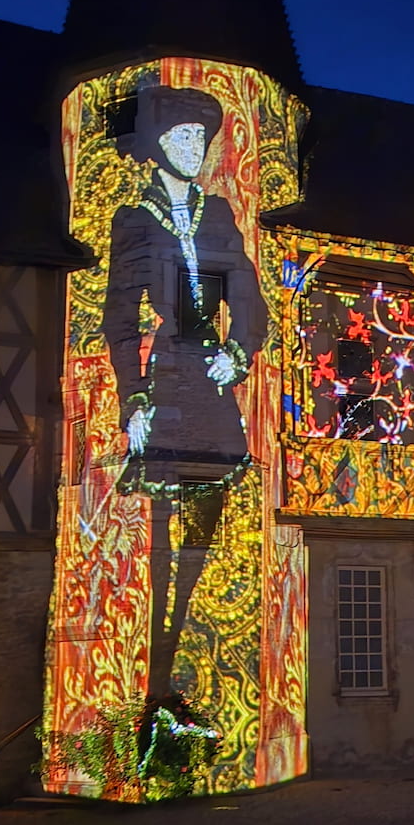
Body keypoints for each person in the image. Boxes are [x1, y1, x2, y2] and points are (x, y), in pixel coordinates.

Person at [101, 86, 266, 697]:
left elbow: (248, 294)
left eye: (201, 137)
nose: (195, 148)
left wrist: (240, 350)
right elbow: (121, 318)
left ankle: (174, 674)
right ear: (157, 146)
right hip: (168, 374)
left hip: (212, 382)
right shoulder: (136, 220)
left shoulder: (218, 213)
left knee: (204, 529)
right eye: (182, 137)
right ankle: (155, 684)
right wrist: (133, 397)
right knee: (165, 534)